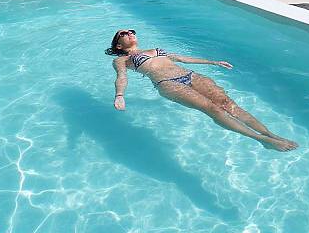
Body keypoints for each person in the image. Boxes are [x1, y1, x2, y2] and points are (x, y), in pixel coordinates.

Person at [106, 29, 298, 152]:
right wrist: (120, 95)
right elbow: (121, 77)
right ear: (119, 45)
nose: (130, 33)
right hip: (168, 83)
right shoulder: (122, 60)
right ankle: (260, 139)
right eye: (124, 33)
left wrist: (213, 62)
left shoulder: (155, 49)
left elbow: (182, 59)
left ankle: (271, 134)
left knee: (228, 104)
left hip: (190, 75)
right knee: (212, 109)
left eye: (132, 31)